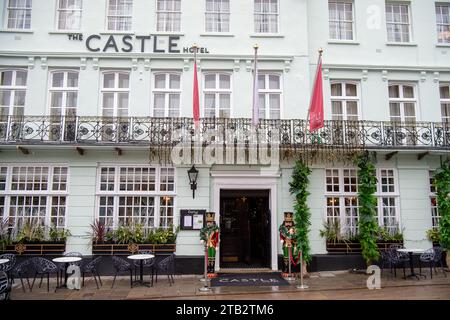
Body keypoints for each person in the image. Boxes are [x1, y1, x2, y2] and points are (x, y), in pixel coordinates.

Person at [279, 212, 300, 277]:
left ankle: (292, 270)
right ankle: (285, 270)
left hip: (293, 244)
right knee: (286, 257)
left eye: (289, 222)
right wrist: (282, 239)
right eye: (287, 222)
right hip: (285, 244)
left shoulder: (295, 228)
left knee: (292, 257)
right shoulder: (282, 228)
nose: (288, 223)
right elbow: (281, 235)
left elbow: (296, 236)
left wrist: (294, 239)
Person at [200, 212, 220, 278]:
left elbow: (217, 237)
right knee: (208, 258)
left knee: (212, 257)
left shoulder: (215, 229)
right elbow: (202, 234)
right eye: (208, 222)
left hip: (213, 245)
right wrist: (202, 239)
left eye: (210, 222)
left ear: (212, 222)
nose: (209, 223)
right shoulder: (204, 229)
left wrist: (217, 245)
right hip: (207, 245)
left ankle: (212, 270)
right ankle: (208, 271)